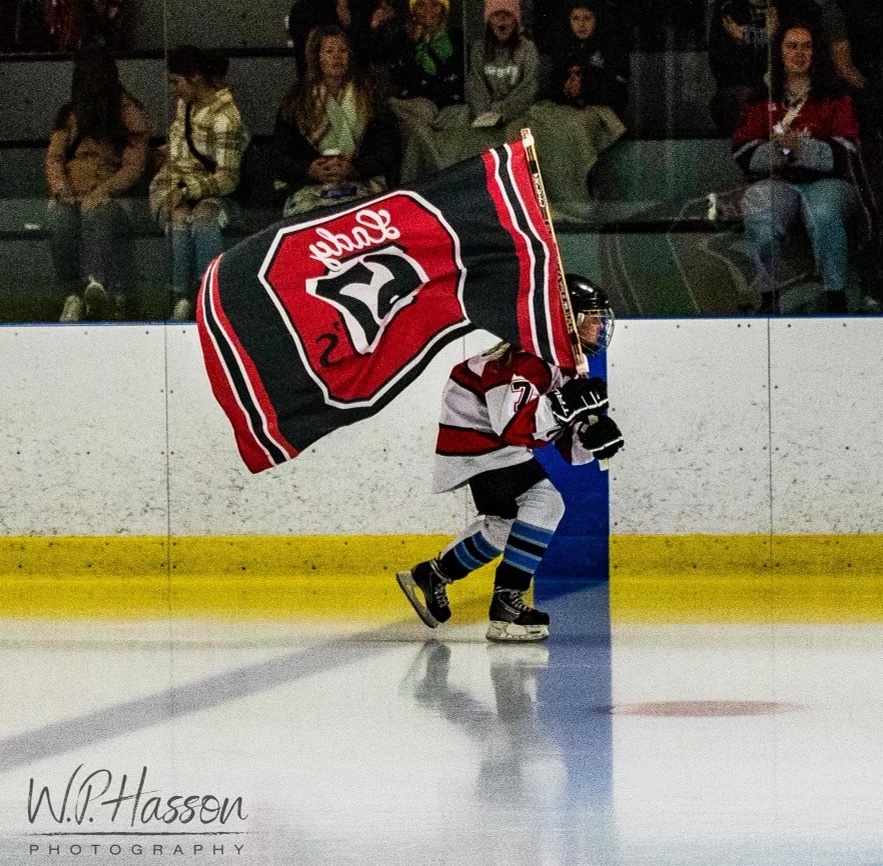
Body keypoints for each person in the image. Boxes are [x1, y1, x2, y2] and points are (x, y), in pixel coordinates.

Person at [396, 275, 624, 642]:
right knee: (545, 502)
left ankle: (433, 575)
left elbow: (560, 441)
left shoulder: (562, 363)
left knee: (504, 526)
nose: (600, 326)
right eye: (592, 318)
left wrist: (591, 435)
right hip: (478, 445)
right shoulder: (525, 360)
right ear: (568, 320)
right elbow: (515, 427)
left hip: (494, 446)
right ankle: (507, 603)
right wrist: (567, 405)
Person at [732, 20, 864, 314]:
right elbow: (741, 150)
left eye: (807, 46)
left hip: (830, 182)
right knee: (758, 205)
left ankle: (835, 296)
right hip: (778, 180)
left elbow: (850, 151)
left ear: (817, 53)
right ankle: (768, 294)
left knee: (823, 213)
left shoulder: (836, 94)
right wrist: (776, 150)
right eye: (791, 46)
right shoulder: (761, 96)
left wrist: (802, 147)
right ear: (779, 52)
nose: (799, 53)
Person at [46, 44, 148, 322]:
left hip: (112, 194)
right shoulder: (70, 113)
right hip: (72, 192)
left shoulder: (128, 112)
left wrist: (105, 190)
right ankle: (72, 294)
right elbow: (55, 157)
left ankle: (96, 285)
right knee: (59, 220)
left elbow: (133, 165)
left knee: (97, 216)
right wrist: (61, 188)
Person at [149, 46, 249, 322]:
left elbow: (227, 178)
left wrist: (187, 190)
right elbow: (184, 146)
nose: (173, 89)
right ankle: (180, 298)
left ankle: (210, 296)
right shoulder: (186, 104)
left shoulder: (224, 118)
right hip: (170, 184)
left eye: (176, 81)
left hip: (210, 191)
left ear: (194, 78)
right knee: (179, 218)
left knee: (204, 219)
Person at [269, 24, 401, 216]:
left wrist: (355, 169)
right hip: (311, 185)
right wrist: (308, 169)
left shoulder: (370, 96)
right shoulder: (297, 99)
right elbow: (279, 154)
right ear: (317, 56)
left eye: (343, 50)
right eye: (329, 51)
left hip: (361, 180)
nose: (337, 57)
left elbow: (390, 148)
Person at [526, 0, 628, 217]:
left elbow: (619, 90)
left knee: (576, 128)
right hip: (567, 108)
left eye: (587, 18)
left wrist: (586, 87)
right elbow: (553, 85)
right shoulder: (563, 46)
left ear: (597, 20)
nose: (581, 25)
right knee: (539, 122)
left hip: (600, 109)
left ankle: (578, 199)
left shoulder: (611, 46)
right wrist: (567, 89)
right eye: (576, 19)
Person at [428, 0, 541, 173]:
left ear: (516, 20)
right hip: (485, 112)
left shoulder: (527, 49)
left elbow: (528, 86)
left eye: (507, 15)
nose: (502, 20)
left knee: (514, 139)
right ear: (489, 20)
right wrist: (482, 113)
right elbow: (475, 82)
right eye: (496, 15)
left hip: (517, 112)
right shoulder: (480, 49)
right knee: (465, 138)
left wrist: (504, 112)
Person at [380, 0, 466, 182]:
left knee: (457, 123)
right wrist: (412, 44)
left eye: (435, 4)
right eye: (421, 4)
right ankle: (433, 182)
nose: (428, 10)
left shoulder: (457, 37)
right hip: (412, 105)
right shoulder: (401, 39)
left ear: (443, 10)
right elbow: (399, 78)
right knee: (419, 131)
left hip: (448, 106)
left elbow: (460, 77)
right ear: (413, 10)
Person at [708, 0, 774, 136]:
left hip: (776, 94)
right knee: (745, 102)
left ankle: (786, 152)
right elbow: (723, 67)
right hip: (740, 94)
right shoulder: (728, 9)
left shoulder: (784, 8)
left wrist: (745, 37)